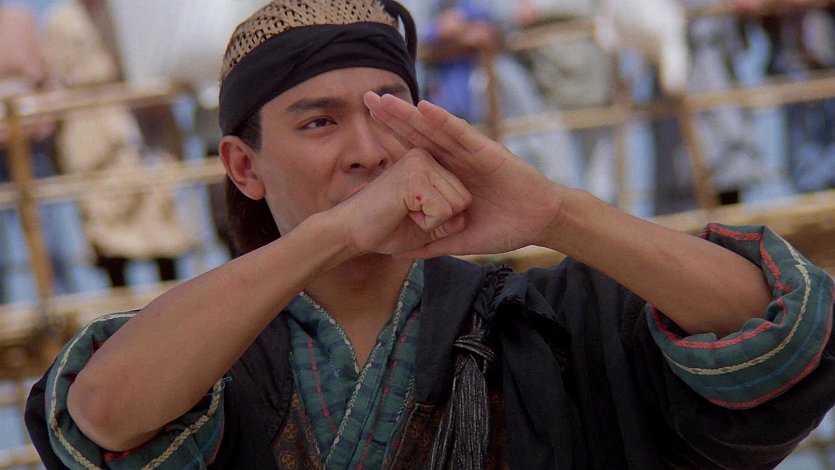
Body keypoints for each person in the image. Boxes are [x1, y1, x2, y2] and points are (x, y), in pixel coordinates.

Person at [24, 0, 835, 468]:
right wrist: (331, 236)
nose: (368, 150)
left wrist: (557, 215)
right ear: (243, 166)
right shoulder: (199, 354)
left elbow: (782, 331)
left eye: (387, 112)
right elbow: (100, 418)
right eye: (318, 122)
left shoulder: (543, 320)